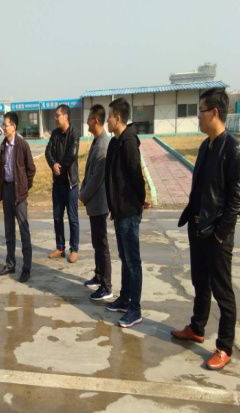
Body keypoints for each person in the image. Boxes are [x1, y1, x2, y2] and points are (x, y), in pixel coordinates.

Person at [172, 88, 240, 370]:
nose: (198, 117)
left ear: (214, 112)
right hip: (198, 228)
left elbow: (238, 200)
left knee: (222, 291)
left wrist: (219, 233)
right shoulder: (206, 146)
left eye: (200, 111)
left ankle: (224, 346)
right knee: (200, 283)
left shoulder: (234, 150)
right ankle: (197, 327)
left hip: (217, 235)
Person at [104, 98, 146, 328]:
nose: (107, 121)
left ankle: (135, 309)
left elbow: (136, 176)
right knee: (124, 257)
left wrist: (139, 202)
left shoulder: (129, 142)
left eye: (109, 116)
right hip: (120, 210)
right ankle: (125, 298)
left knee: (132, 260)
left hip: (129, 210)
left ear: (118, 118)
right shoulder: (116, 142)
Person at [0, 112, 36, 283]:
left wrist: (24, 188)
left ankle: (26, 268)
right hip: (6, 190)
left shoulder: (22, 145)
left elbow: (31, 169)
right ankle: (10, 264)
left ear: (14, 126)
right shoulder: (3, 145)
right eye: (3, 125)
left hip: (19, 193)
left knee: (23, 230)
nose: (3, 128)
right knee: (9, 230)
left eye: (5, 125)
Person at [79, 104, 112, 300]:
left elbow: (97, 178)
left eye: (89, 118)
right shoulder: (97, 141)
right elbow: (89, 173)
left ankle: (106, 286)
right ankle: (99, 276)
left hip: (99, 202)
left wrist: (82, 195)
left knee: (101, 243)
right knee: (96, 242)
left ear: (96, 120)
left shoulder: (103, 145)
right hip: (94, 202)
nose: (87, 122)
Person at [45, 104, 80, 263]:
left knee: (72, 218)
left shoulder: (74, 133)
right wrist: (53, 165)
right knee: (57, 217)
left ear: (65, 116)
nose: (55, 118)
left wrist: (61, 168)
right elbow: (48, 151)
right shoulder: (55, 134)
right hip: (57, 183)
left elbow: (72, 154)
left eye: (57, 115)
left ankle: (74, 249)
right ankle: (60, 247)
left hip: (70, 183)